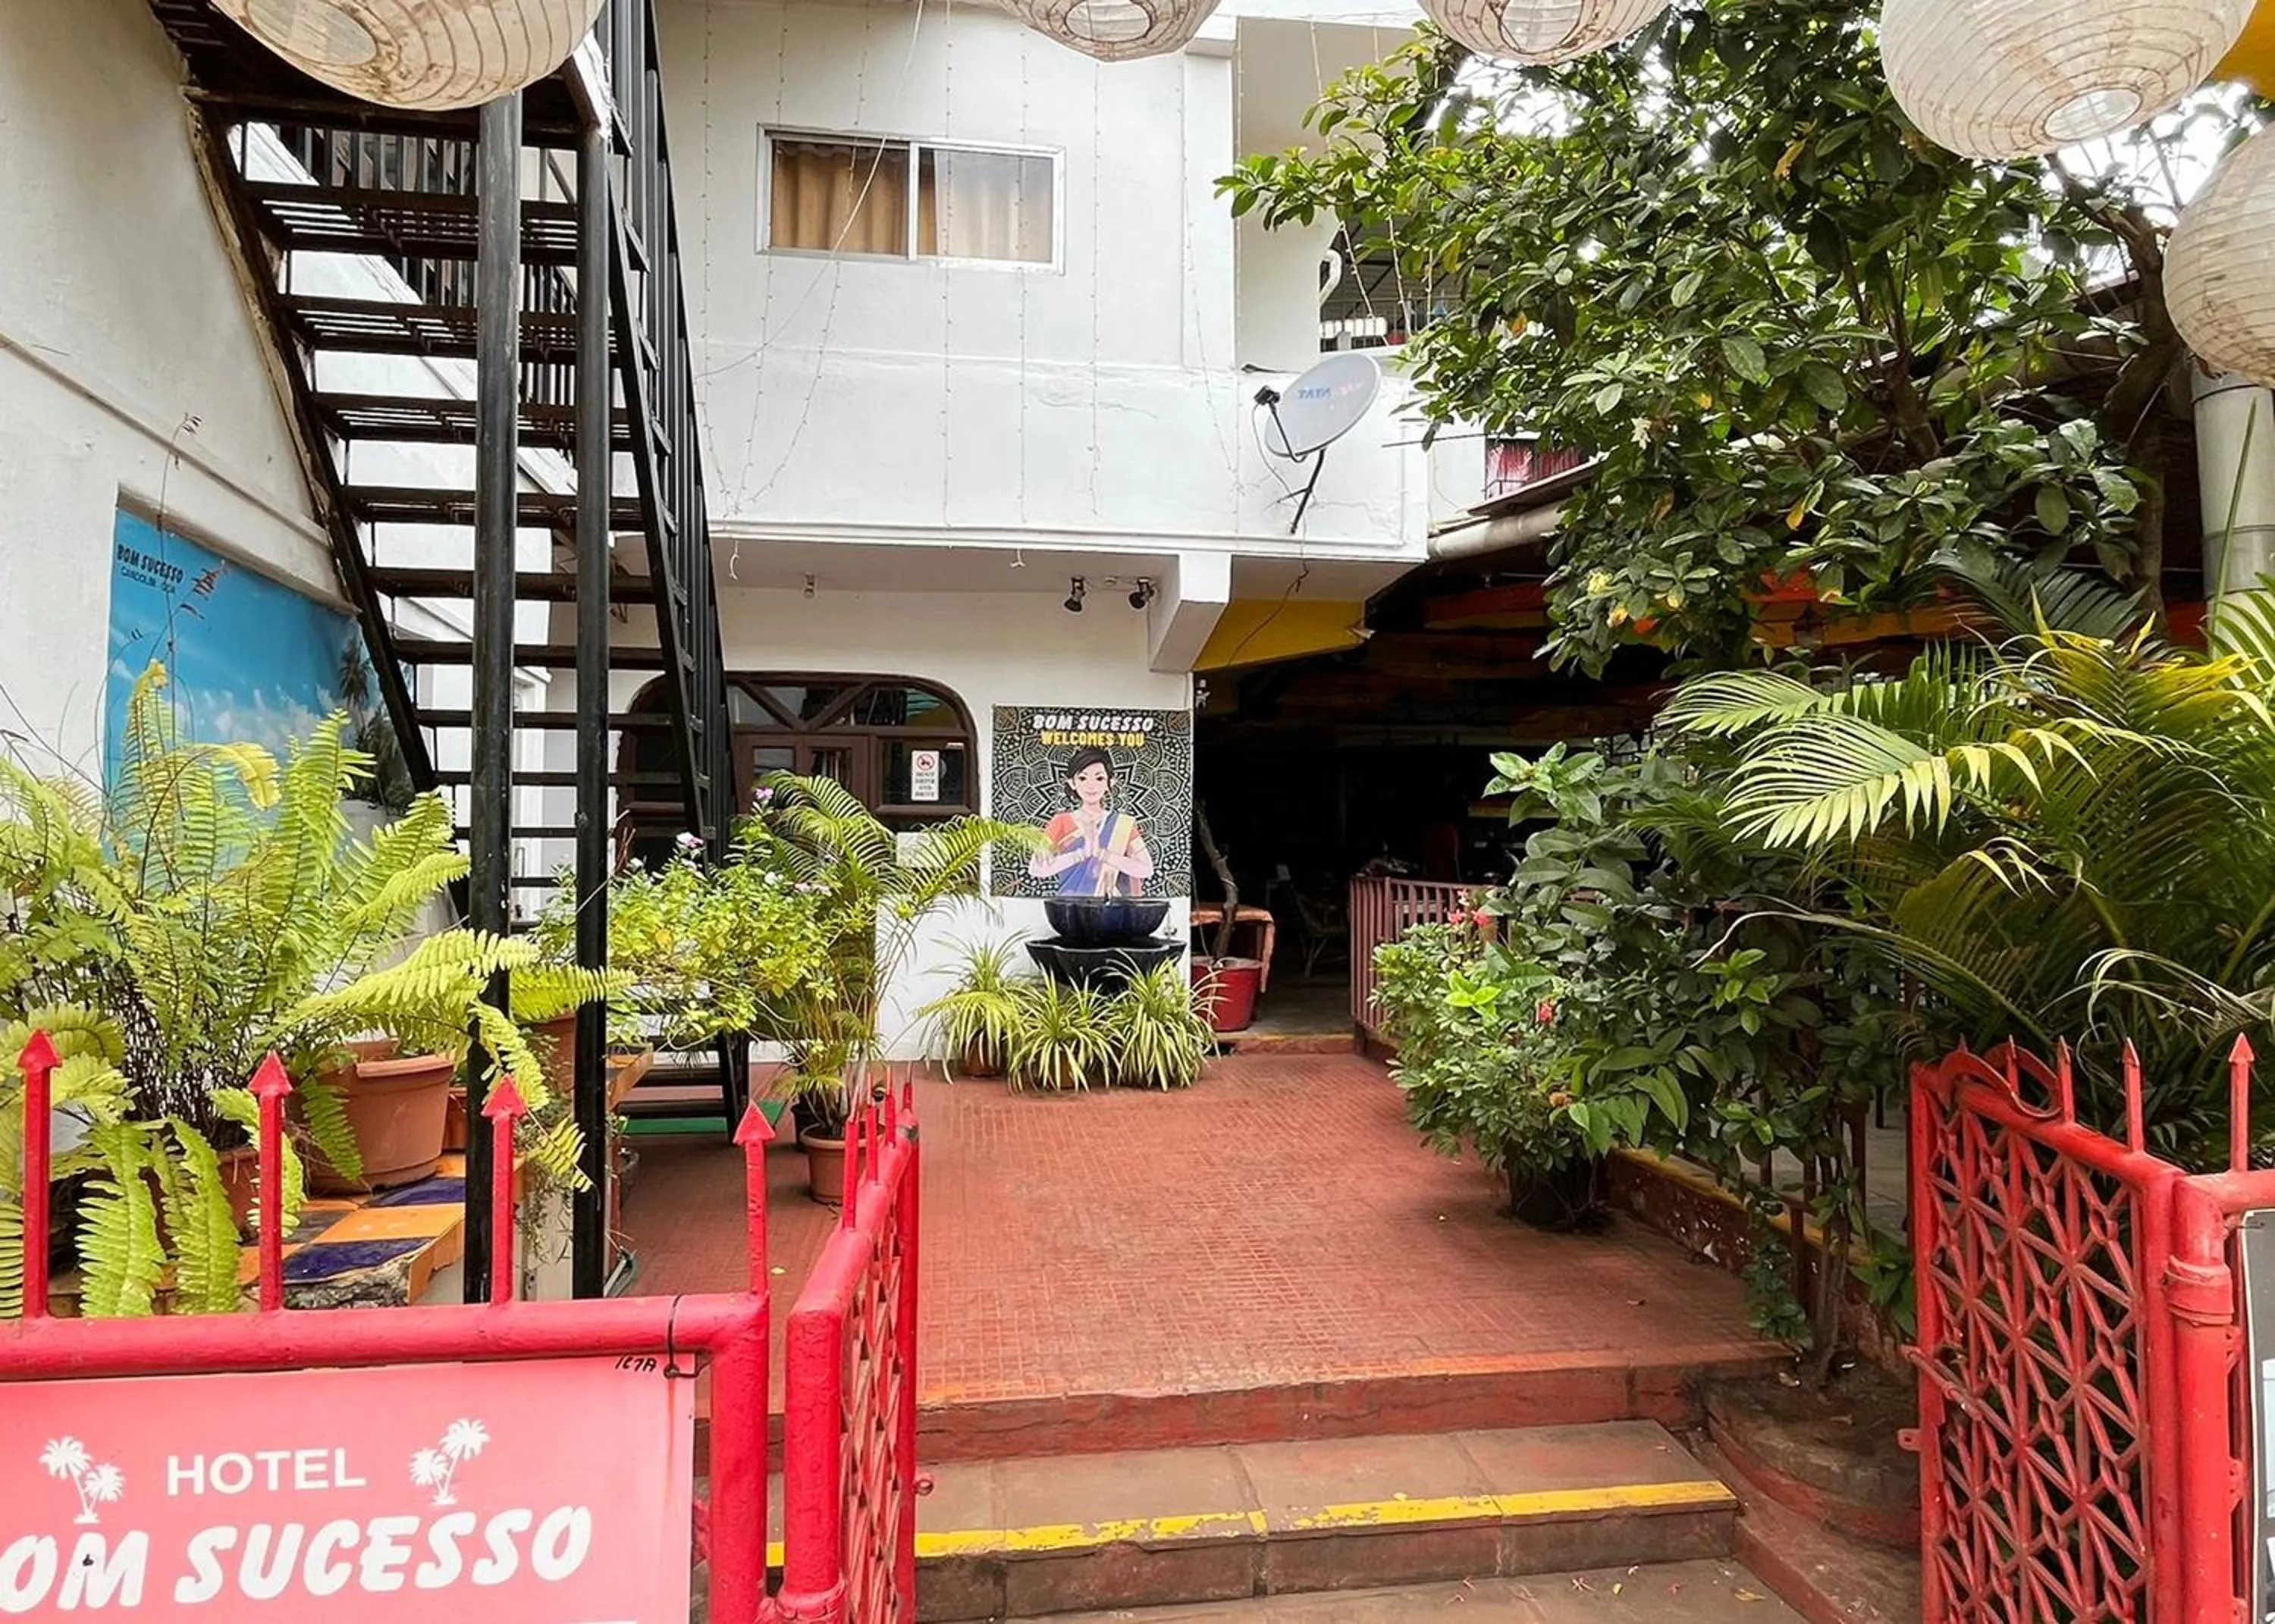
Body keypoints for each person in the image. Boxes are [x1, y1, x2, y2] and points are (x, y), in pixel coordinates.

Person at [1028, 747, 1154, 896]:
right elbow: (1036, 868)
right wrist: (1081, 854)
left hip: (1111, 905)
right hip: (1069, 903)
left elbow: (1146, 869)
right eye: (1083, 778)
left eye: (1099, 778)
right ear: (1072, 783)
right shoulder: (1060, 822)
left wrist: (1102, 854)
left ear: (1110, 783)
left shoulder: (1122, 824)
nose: (1091, 785)